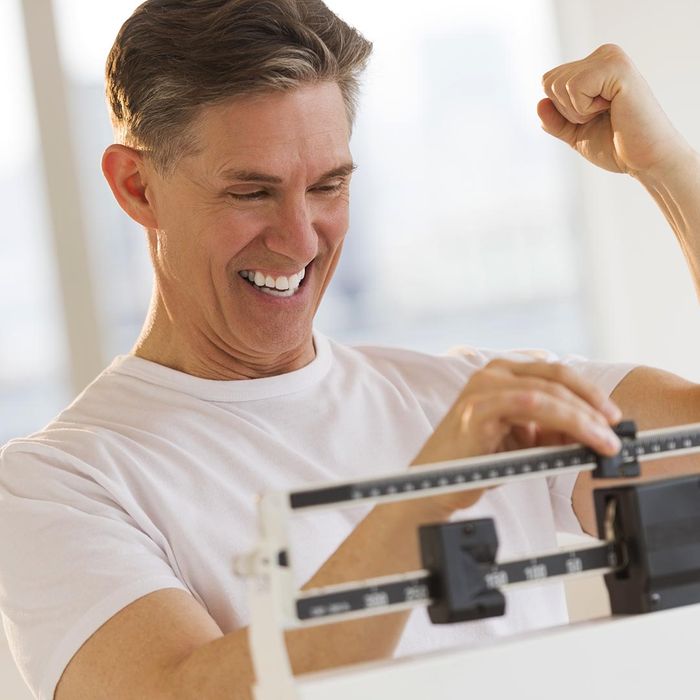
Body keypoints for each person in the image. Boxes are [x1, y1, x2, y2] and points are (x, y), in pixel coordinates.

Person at [1, 1, 699, 698]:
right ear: (136, 185)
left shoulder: (475, 400)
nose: (300, 239)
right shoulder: (61, 483)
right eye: (251, 191)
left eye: (329, 185)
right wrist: (424, 497)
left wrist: (670, 169)